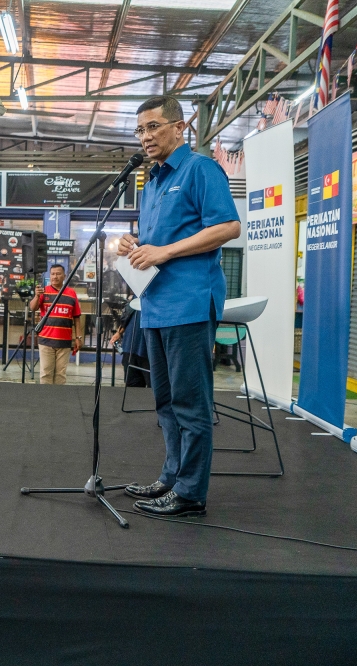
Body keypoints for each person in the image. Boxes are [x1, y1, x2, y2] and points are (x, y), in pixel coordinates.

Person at [118, 95, 241, 518]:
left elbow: (228, 226)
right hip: (153, 305)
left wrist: (164, 252)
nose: (146, 137)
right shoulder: (151, 182)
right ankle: (171, 476)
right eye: (140, 130)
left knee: (191, 403)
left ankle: (190, 493)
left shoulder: (200, 169)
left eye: (153, 127)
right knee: (165, 402)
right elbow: (152, 244)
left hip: (188, 304)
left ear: (179, 127)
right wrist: (132, 244)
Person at [29, 264, 83, 385]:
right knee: (46, 374)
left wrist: (78, 338)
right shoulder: (44, 291)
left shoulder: (71, 293)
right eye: (52, 274)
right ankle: (46, 402)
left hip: (64, 342)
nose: (55, 276)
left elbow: (77, 318)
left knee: (60, 376)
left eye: (58, 274)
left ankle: (58, 401)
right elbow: (33, 307)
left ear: (64, 276)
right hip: (46, 341)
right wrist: (37, 296)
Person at [110, 298, 150, 388]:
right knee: (132, 388)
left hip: (149, 349)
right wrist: (119, 332)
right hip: (130, 346)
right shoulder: (137, 293)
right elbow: (128, 314)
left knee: (154, 388)